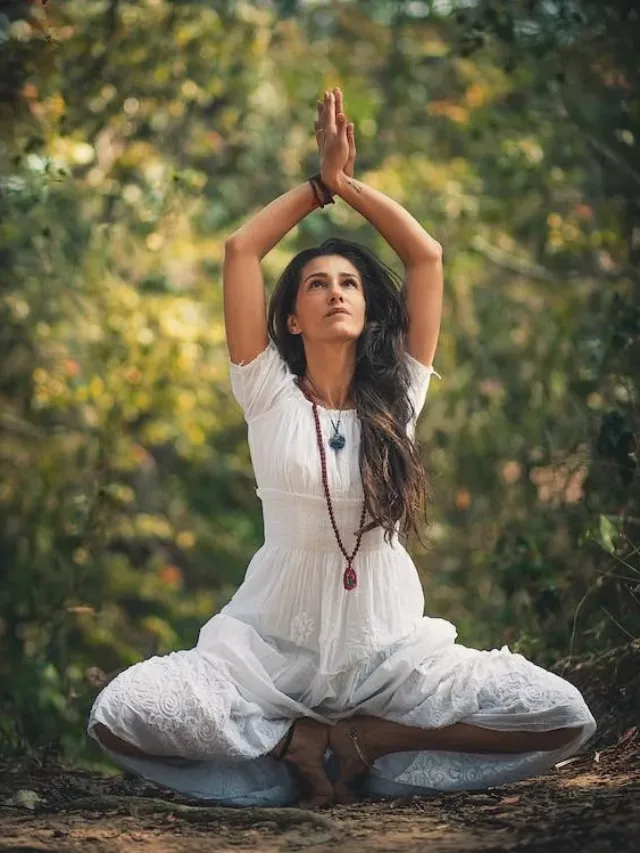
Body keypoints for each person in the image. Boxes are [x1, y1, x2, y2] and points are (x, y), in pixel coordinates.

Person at [87, 87, 596, 808]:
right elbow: (241, 248)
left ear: (366, 306)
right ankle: (290, 742)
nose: (336, 292)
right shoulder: (265, 390)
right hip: (267, 651)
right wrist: (316, 187)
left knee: (561, 714)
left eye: (350, 282)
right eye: (317, 284)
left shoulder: (400, 394)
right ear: (291, 317)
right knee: (121, 714)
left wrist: (350, 185)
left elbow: (425, 257)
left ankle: (371, 739)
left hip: (389, 653)